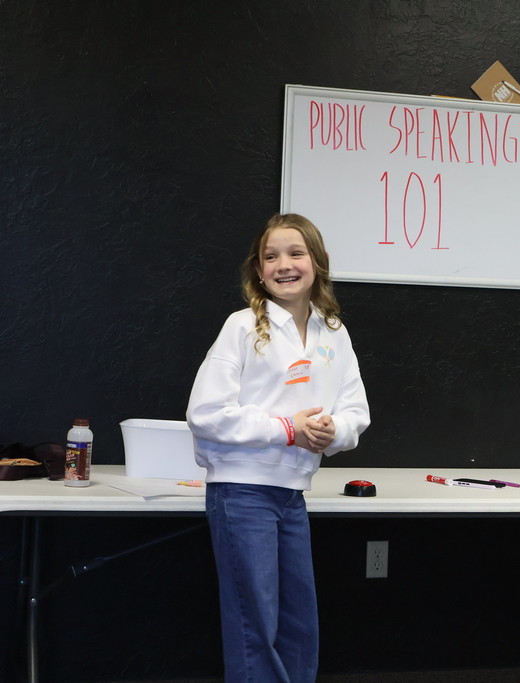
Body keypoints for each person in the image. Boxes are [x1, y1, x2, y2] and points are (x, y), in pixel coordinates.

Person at [187, 213, 370, 682]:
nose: (283, 264)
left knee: (297, 624)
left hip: (292, 495)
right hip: (241, 493)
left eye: (295, 253)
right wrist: (287, 428)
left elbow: (355, 412)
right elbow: (206, 414)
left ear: (317, 263)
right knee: (256, 625)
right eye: (271, 256)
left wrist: (334, 432)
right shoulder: (242, 325)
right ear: (258, 269)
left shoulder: (334, 331)